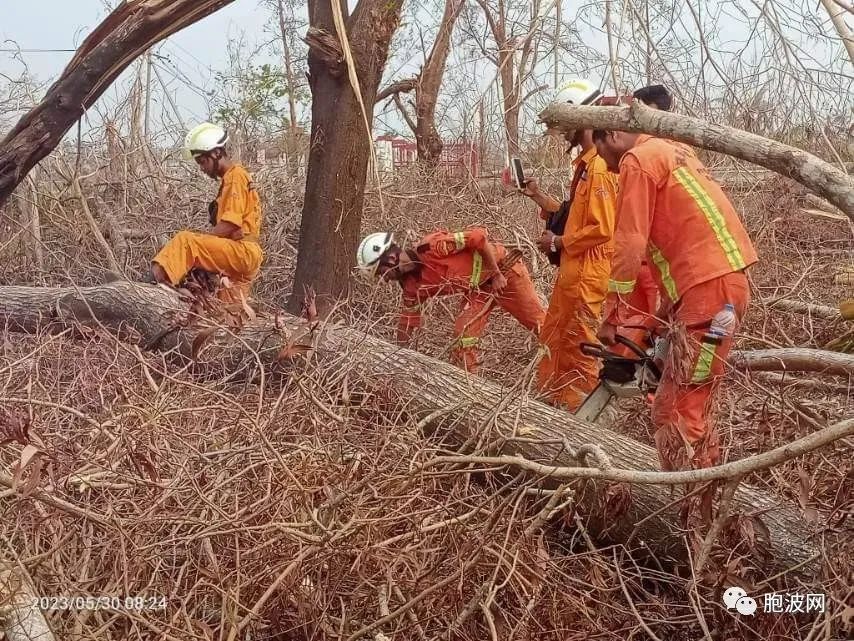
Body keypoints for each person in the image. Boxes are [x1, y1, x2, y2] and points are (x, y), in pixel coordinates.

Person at [592, 129, 758, 473]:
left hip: (709, 296)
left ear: (608, 135)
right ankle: (701, 486)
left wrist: (614, 315)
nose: (607, 168)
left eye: (600, 153)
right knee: (689, 402)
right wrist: (658, 320)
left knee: (676, 409)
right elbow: (682, 246)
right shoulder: (674, 151)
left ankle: (687, 505)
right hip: (715, 288)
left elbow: (630, 242)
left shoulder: (638, 160)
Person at [519, 78, 619, 410]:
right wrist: (537, 196)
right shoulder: (585, 167)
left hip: (587, 276)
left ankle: (585, 417)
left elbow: (602, 228)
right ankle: (552, 404)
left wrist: (559, 241)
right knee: (554, 337)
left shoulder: (601, 168)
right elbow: (570, 215)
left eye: (567, 125)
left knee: (580, 347)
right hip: (572, 276)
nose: (564, 134)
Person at [356, 228, 545, 372]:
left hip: (504, 271)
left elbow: (478, 238)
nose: (386, 279)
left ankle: (568, 372)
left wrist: (496, 274)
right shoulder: (412, 287)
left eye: (381, 272)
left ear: (388, 258)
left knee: (541, 326)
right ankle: (471, 390)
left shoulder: (434, 246)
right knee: (463, 337)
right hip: (479, 290)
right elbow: (407, 321)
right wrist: (397, 355)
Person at [151, 122, 263, 301]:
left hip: (242, 251)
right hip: (247, 256)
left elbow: (230, 223)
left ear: (217, 153)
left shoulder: (235, 177)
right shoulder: (234, 178)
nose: (202, 168)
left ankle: (150, 282)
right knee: (229, 312)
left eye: (203, 162)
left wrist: (203, 243)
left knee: (187, 242)